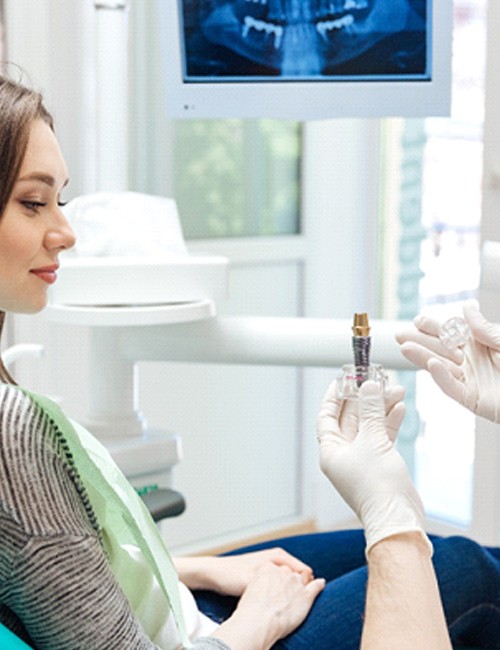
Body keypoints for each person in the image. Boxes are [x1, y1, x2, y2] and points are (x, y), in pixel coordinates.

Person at [0, 73, 499, 650]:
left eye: (59, 200)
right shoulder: (13, 433)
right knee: (469, 570)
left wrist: (202, 567)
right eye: (33, 203)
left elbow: (58, 568)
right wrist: (258, 619)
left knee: (426, 553)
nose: (65, 232)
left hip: (167, 603)